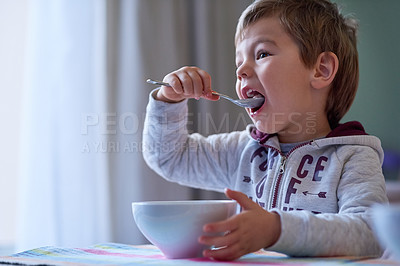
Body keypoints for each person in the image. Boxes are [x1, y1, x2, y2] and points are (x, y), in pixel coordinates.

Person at [142, 0, 388, 261]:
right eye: (239, 62)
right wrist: (168, 101)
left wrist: (276, 229)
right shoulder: (241, 151)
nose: (241, 71)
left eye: (262, 54)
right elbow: (169, 157)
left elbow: (371, 233)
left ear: (321, 69)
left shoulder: (354, 157)